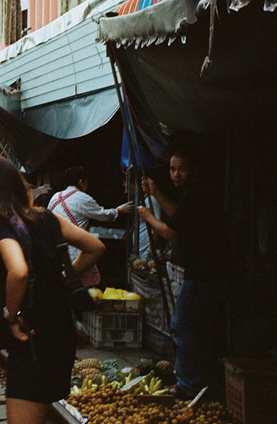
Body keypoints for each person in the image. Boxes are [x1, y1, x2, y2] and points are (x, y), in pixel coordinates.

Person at [0, 157, 105, 424]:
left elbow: (18, 271)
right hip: (60, 337)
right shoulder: (47, 219)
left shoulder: (3, 231)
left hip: (33, 342)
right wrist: (63, 277)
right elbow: (95, 248)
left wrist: (11, 315)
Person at [138, 148, 231, 400]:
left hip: (205, 274)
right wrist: (156, 192)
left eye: (182, 169)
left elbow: (170, 231)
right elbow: (178, 217)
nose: (176, 174)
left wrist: (147, 216)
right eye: (172, 169)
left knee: (181, 325)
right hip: (208, 273)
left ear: (195, 170)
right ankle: (201, 383)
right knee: (198, 329)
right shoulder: (195, 195)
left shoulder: (199, 194)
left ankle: (189, 384)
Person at [47, 166, 133, 287]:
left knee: (61, 283)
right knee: (77, 285)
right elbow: (104, 215)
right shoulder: (83, 198)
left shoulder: (55, 197)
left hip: (56, 250)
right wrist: (119, 210)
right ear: (81, 182)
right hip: (76, 253)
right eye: (86, 183)